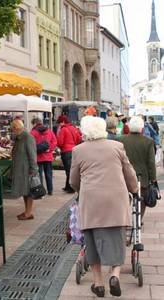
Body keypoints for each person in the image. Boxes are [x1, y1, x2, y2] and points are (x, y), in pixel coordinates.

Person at [70, 116, 138, 298]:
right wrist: (134, 188)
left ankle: (98, 283)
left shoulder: (78, 150)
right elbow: (128, 172)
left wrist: (81, 190)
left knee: (91, 242)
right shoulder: (117, 147)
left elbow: (73, 181)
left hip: (91, 201)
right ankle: (114, 275)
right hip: (115, 200)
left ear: (84, 131)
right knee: (117, 238)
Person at [120, 116, 157, 218]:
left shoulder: (121, 139)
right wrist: (153, 178)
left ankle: (125, 219)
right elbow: (151, 162)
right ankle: (139, 220)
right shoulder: (148, 141)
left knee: (126, 198)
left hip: (125, 174)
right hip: (143, 175)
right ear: (142, 128)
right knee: (142, 199)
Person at [11, 119, 38, 220]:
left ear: (16, 128)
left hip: (27, 170)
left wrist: (34, 170)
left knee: (29, 192)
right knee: (25, 191)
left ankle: (28, 213)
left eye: (12, 129)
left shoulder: (27, 137)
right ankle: (27, 211)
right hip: (21, 169)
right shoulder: (19, 138)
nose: (12, 131)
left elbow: (32, 155)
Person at [30, 117, 57, 196]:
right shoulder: (49, 131)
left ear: (34, 123)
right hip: (48, 156)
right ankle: (50, 190)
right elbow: (54, 141)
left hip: (38, 156)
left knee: (39, 174)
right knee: (49, 174)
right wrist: (50, 149)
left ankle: (41, 192)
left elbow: (31, 144)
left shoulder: (33, 132)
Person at [56, 115, 81, 193]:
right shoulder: (74, 128)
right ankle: (67, 186)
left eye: (59, 123)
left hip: (66, 152)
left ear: (63, 122)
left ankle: (70, 188)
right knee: (72, 169)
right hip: (74, 150)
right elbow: (79, 139)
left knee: (68, 170)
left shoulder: (63, 130)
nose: (59, 125)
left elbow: (60, 142)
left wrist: (60, 147)